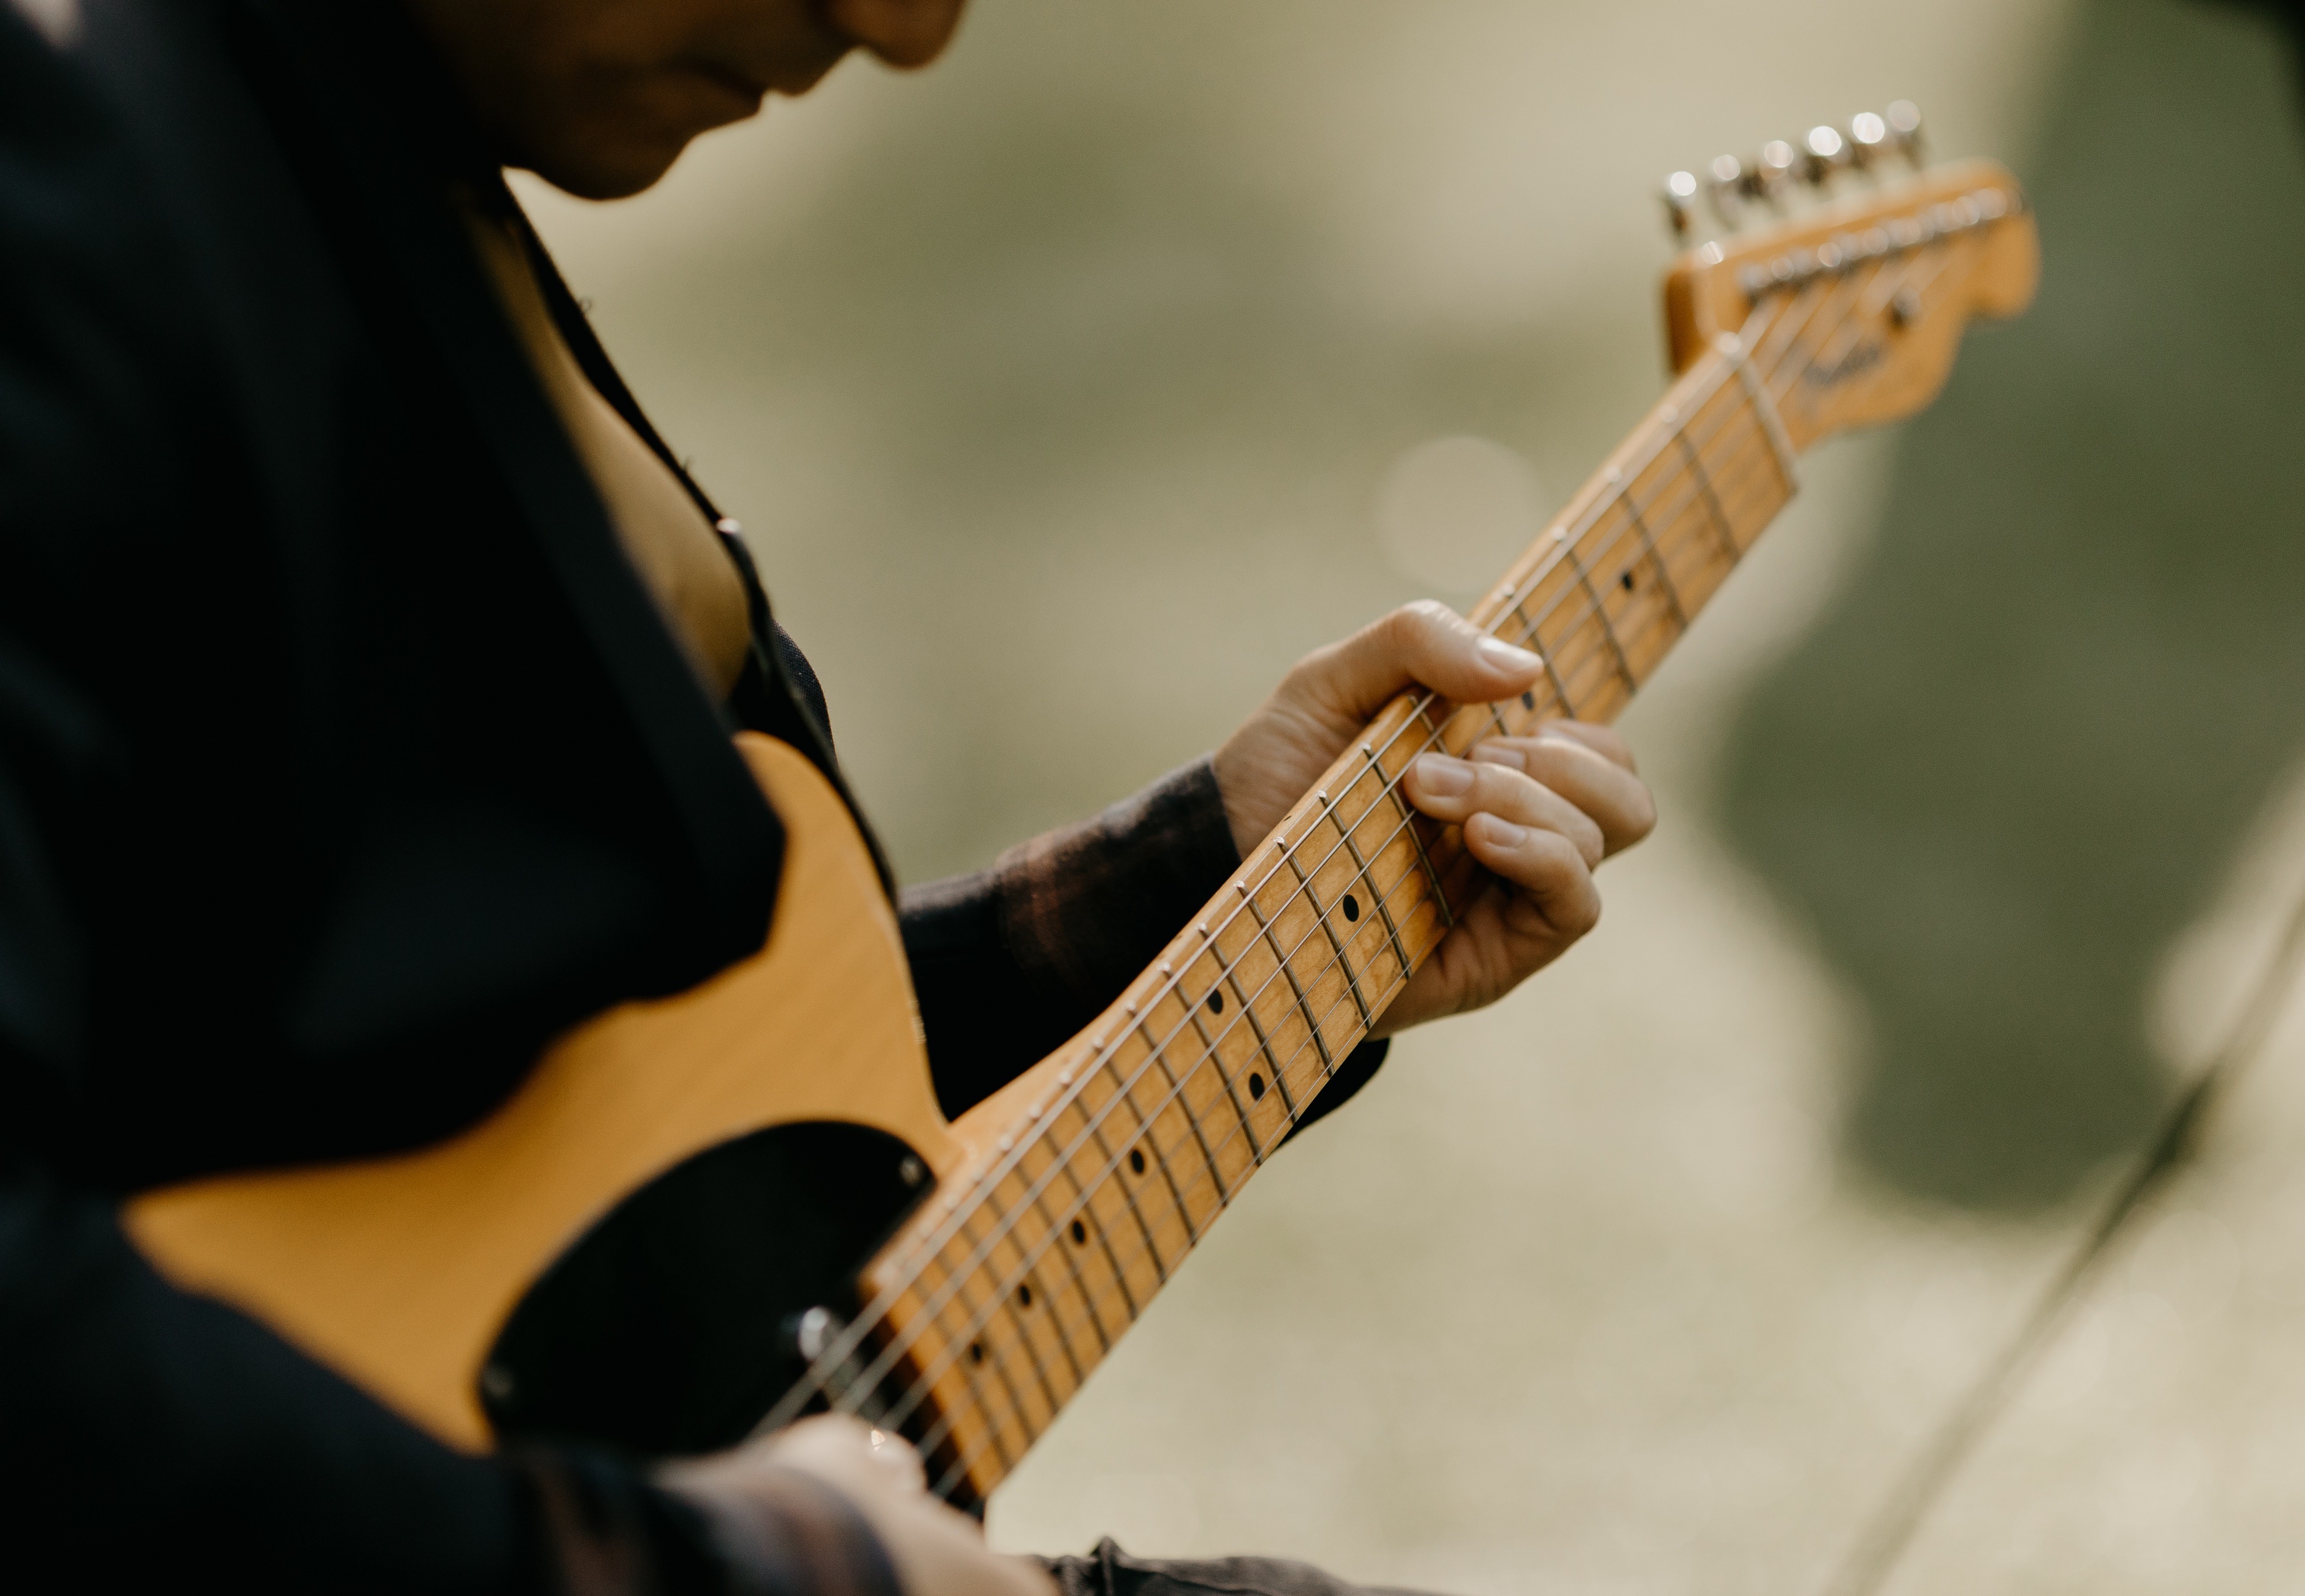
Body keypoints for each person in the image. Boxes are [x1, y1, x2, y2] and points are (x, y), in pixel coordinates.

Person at [0, 1, 1656, 1592]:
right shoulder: (60, 184)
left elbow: (613, 1115)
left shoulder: (351, 132)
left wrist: (1199, 871)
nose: (904, 27)